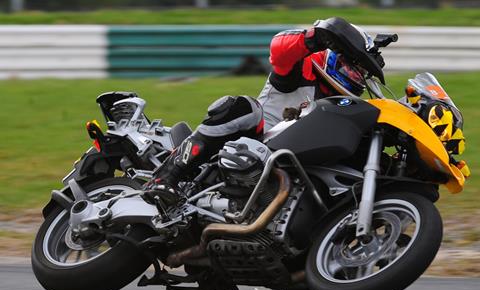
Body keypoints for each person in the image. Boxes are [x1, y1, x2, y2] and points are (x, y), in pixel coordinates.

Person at [144, 17, 376, 206]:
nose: (353, 76)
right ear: (331, 56)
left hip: (291, 169)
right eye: (348, 67)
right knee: (245, 107)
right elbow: (279, 49)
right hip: (252, 143)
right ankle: (165, 175)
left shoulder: (343, 107)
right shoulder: (302, 68)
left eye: (358, 74)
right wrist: (314, 38)